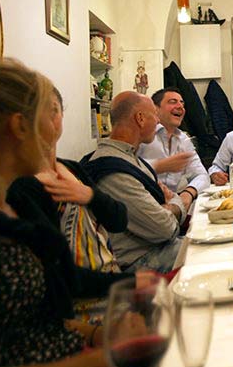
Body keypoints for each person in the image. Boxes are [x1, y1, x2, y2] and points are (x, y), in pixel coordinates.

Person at [0, 58, 132, 367]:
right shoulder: (15, 199)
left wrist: (98, 337)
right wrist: (108, 356)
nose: (53, 129)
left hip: (78, 346)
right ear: (20, 126)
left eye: (57, 112)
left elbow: (42, 317)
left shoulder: (5, 207)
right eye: (45, 114)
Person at [83, 91, 188, 273]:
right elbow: (166, 228)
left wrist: (169, 205)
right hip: (139, 262)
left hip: (158, 246)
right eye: (154, 115)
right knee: (210, 255)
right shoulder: (112, 170)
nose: (157, 121)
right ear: (140, 118)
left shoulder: (132, 160)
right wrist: (174, 205)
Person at [35, 87, 127, 274]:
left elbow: (119, 219)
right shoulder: (26, 182)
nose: (49, 117)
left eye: (54, 109)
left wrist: (90, 195)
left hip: (111, 273)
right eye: (39, 109)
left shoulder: (71, 168)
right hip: (85, 295)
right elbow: (59, 271)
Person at [138, 87, 209, 207]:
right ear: (155, 108)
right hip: (144, 205)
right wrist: (158, 166)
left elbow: (202, 175)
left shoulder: (183, 139)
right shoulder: (142, 135)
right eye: (172, 102)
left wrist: (189, 193)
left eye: (182, 103)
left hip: (174, 205)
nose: (180, 106)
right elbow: (123, 169)